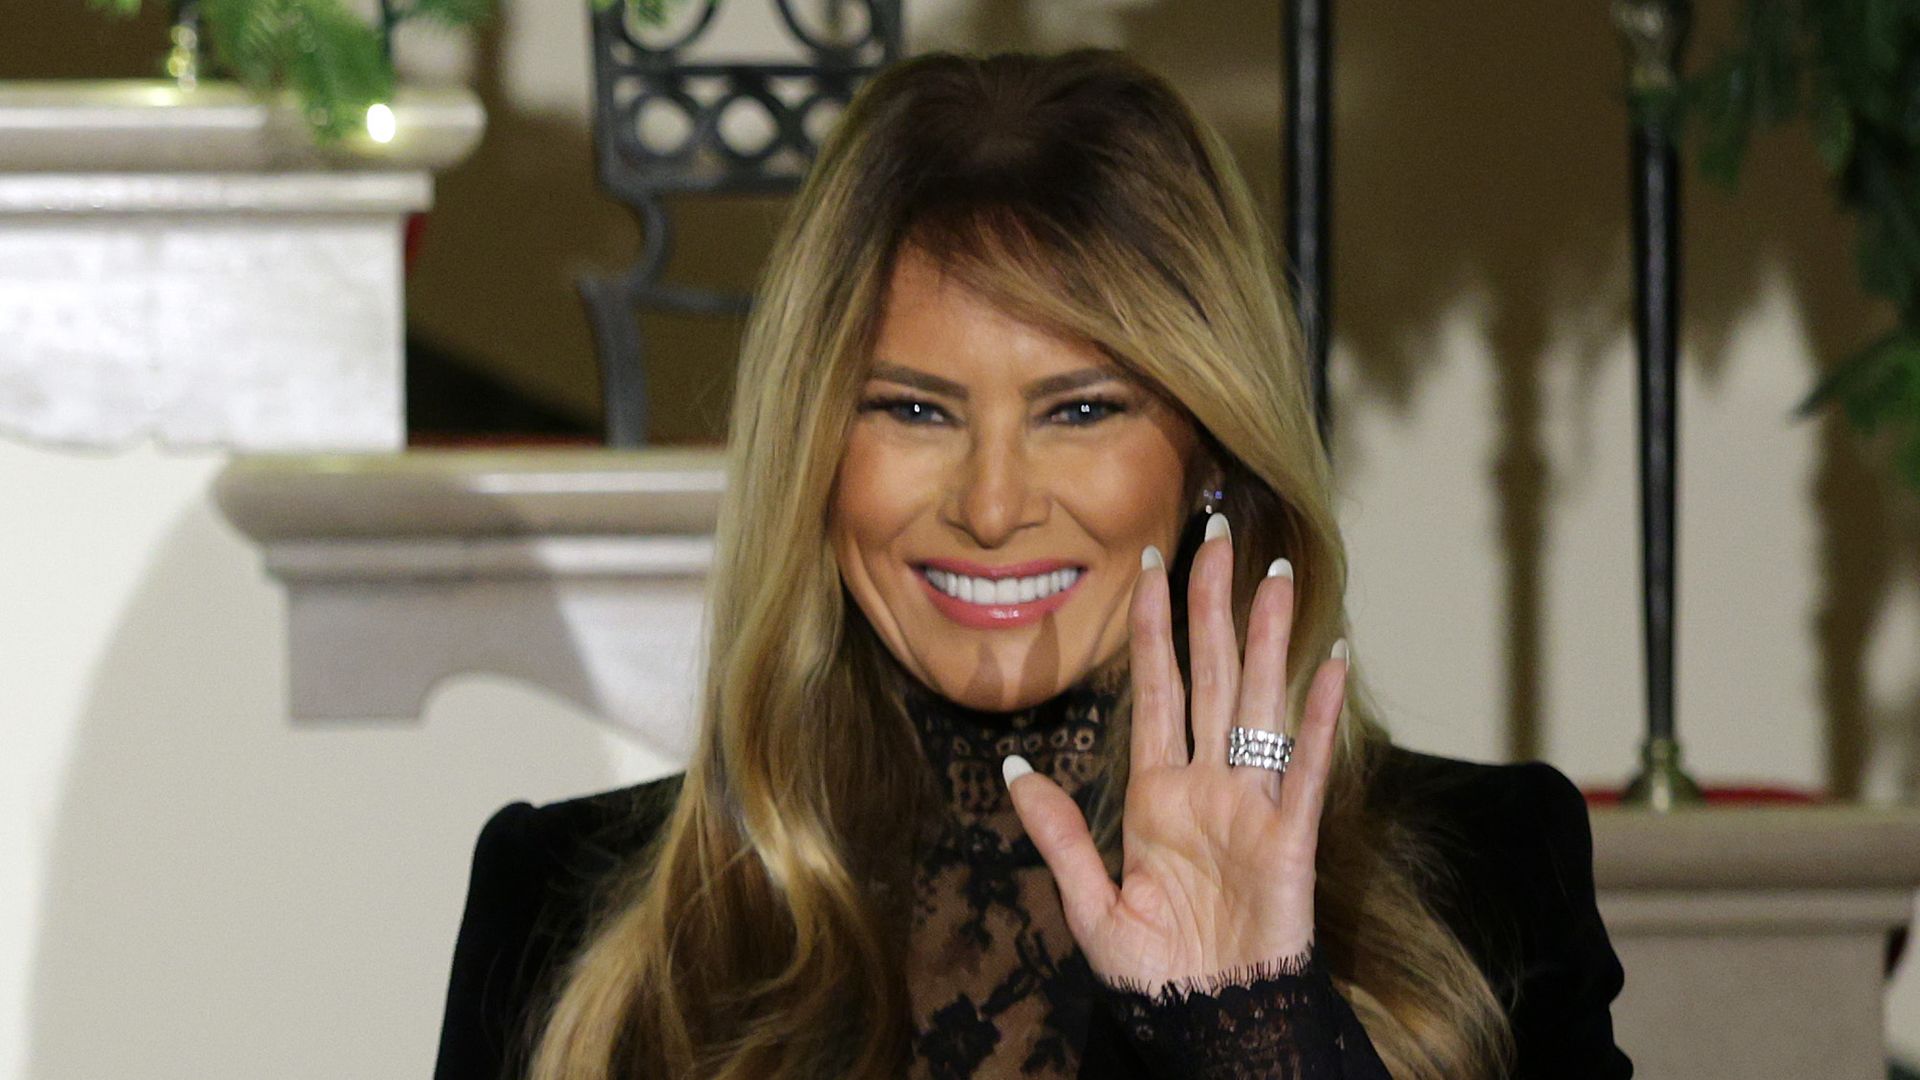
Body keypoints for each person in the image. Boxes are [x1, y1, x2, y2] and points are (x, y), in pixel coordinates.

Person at [432, 48, 1632, 1080]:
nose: (993, 507)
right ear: (813, 449)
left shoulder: (1490, 874)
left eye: (1078, 411)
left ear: (1212, 453)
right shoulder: (568, 909)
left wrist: (1263, 1029)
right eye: (911, 410)